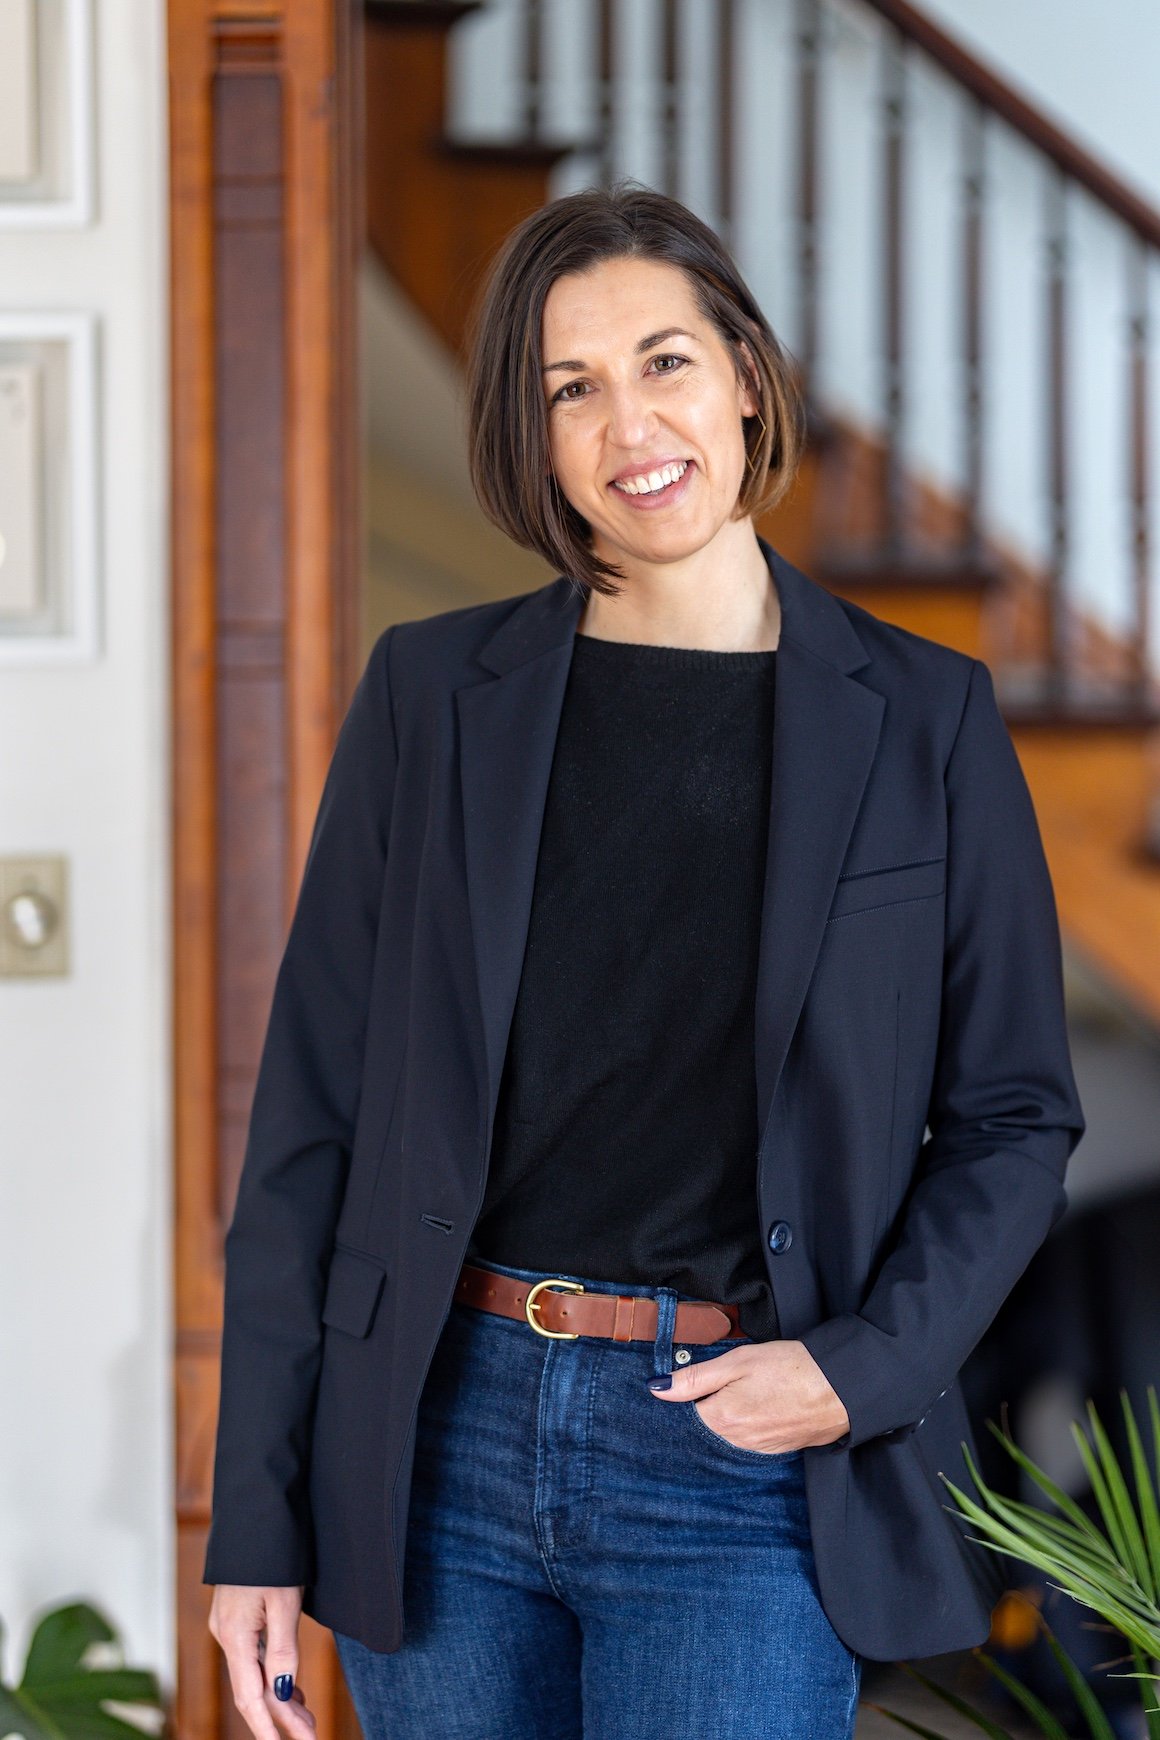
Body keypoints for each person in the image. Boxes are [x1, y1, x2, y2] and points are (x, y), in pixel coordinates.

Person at [204, 183, 1086, 1740]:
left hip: (739, 1463)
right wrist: (258, 1526)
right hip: (439, 1441)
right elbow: (313, 1124)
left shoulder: (925, 721)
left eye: (665, 361)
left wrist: (859, 1370)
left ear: (745, 372)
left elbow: (1015, 1117)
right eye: (573, 387)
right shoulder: (430, 699)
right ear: (533, 436)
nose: (631, 424)